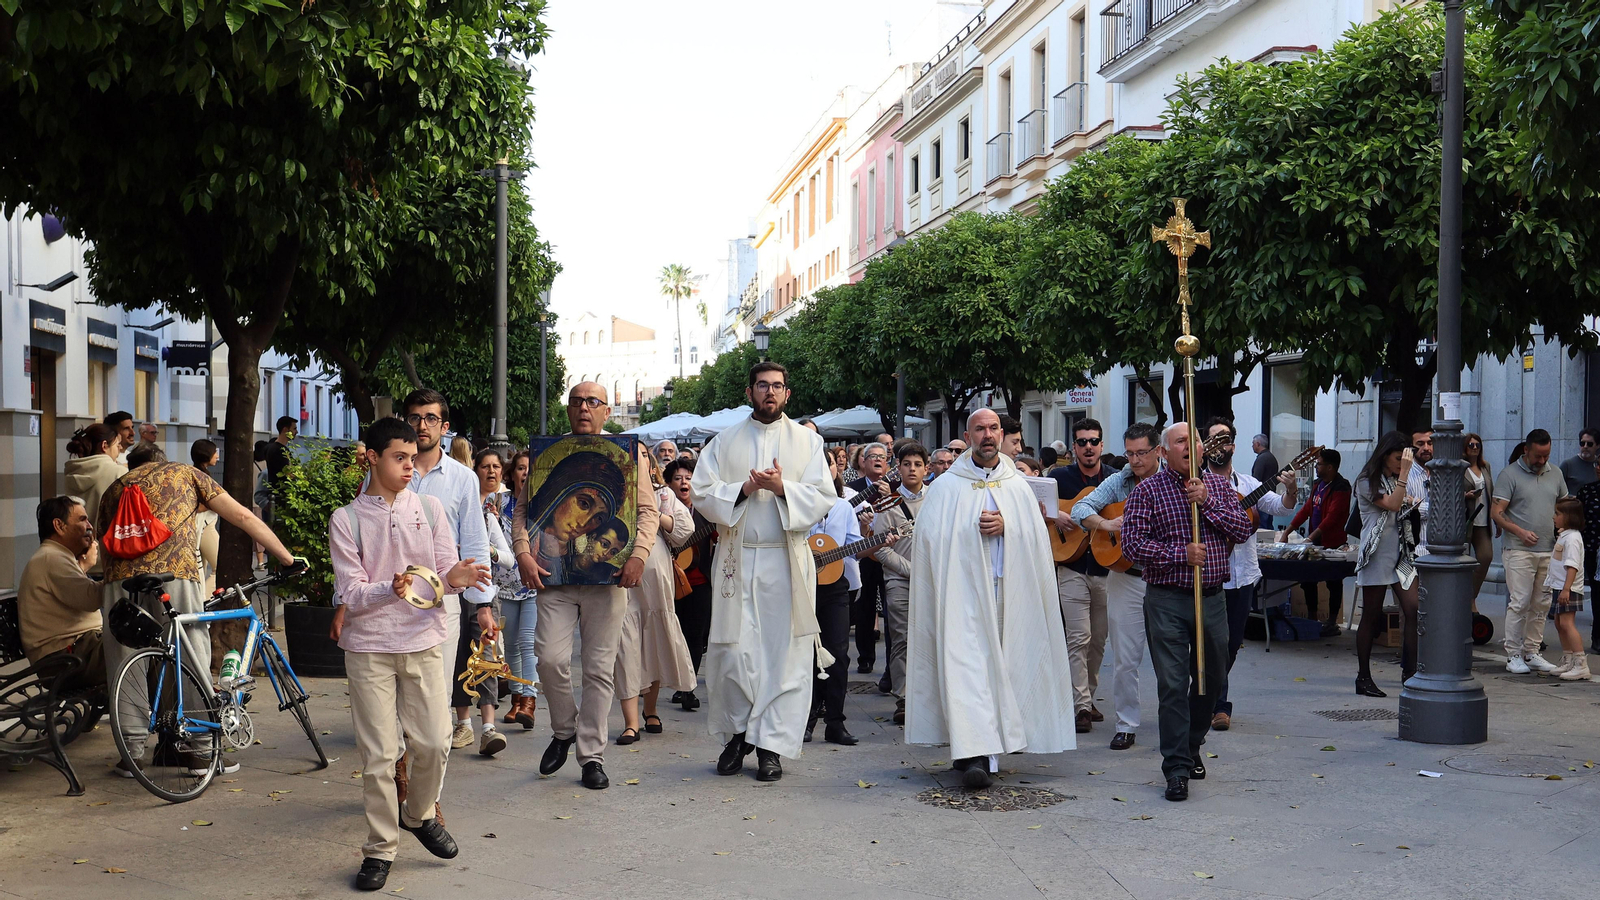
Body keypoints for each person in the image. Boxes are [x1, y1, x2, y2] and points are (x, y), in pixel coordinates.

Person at [331, 417, 490, 892]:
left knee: (437, 742)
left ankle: (418, 814)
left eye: (412, 458)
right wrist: (391, 588)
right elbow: (350, 591)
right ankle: (380, 849)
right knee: (380, 756)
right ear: (373, 458)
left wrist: (456, 578)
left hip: (423, 641)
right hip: (369, 648)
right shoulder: (347, 519)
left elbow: (441, 570)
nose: (409, 466)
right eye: (399, 458)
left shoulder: (430, 508)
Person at [98, 440, 295, 776]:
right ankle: (201, 749)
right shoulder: (185, 474)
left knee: (124, 658)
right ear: (162, 460)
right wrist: (287, 558)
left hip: (120, 578)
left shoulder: (114, 489)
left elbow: (105, 542)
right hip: (173, 571)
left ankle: (130, 753)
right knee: (190, 651)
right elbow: (242, 515)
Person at [905, 409, 1074, 789]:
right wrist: (969, 530)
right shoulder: (947, 487)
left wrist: (1007, 526)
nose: (987, 435)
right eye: (979, 429)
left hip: (1008, 592)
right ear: (967, 436)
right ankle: (975, 753)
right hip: (961, 595)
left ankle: (987, 748)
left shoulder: (1017, 485)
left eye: (993, 428)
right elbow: (930, 541)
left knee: (1006, 668)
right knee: (968, 670)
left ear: (1001, 434)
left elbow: (1036, 537)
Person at [690, 362, 834, 782]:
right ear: (749, 391)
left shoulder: (807, 442)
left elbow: (823, 496)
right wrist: (746, 488)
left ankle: (770, 747)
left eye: (777, 386)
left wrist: (782, 488)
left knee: (782, 656)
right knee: (733, 653)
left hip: (785, 560)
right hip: (736, 559)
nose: (770, 392)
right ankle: (738, 737)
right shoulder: (724, 441)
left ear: (787, 393)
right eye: (762, 385)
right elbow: (701, 492)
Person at [513, 383, 658, 791]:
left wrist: (638, 555)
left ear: (607, 412)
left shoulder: (629, 454)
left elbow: (646, 511)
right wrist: (523, 552)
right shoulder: (549, 453)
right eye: (577, 401)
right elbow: (523, 511)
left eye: (593, 402)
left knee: (598, 669)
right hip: (553, 578)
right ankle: (564, 729)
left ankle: (591, 756)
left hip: (607, 583)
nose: (584, 408)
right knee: (549, 659)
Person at [1120, 423, 1254, 802]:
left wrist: (1207, 501)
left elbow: (1242, 529)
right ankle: (1176, 767)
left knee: (1211, 678)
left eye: (1193, 440)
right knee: (1173, 684)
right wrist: (1182, 554)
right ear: (1164, 452)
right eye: (1180, 441)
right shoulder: (1148, 491)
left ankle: (1193, 742)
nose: (1189, 446)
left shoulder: (1218, 488)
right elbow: (1132, 545)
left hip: (1211, 598)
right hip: (1167, 600)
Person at [395, 391, 495, 766]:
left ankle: (428, 783)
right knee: (397, 696)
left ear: (444, 427)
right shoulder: (386, 471)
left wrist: (483, 604)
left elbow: (475, 542)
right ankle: (401, 772)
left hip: (443, 599)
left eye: (430, 418)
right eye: (414, 418)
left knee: (436, 695)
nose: (422, 425)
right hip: (392, 597)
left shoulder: (463, 478)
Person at [1070, 421, 1163, 751]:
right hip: (1126, 576)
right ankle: (1126, 725)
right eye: (1130, 453)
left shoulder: (1173, 481)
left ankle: (1175, 721)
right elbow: (1081, 508)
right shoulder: (1120, 480)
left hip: (1164, 577)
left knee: (1170, 657)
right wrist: (1107, 523)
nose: (1135, 460)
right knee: (1125, 657)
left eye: (1142, 453)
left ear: (1158, 451)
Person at [1202, 418, 1297, 731]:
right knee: (1211, 644)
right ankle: (1218, 705)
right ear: (1205, 446)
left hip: (1242, 576)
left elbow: (1281, 507)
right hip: (1207, 576)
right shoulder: (1195, 485)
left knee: (1231, 644)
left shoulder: (1248, 484)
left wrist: (1291, 488)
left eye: (1225, 439)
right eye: (1214, 440)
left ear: (1233, 445)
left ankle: (1210, 698)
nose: (1220, 446)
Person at [614, 457, 698, 746]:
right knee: (625, 646)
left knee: (654, 642)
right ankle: (631, 723)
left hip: (655, 581)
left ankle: (650, 711)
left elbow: (684, 529)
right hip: (620, 578)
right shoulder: (612, 488)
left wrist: (654, 513)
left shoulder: (663, 494)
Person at [1049, 418, 1114, 734]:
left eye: (1093, 441)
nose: (1088, 447)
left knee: (1098, 641)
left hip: (1105, 569)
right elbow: (1031, 504)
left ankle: (1086, 695)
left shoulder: (1115, 479)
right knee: (1079, 637)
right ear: (1073, 447)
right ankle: (1081, 706)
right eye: (1082, 442)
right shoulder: (1058, 477)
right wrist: (1056, 514)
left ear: (1101, 445)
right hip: (1071, 566)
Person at [805, 449, 873, 746]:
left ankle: (835, 723)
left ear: (837, 469)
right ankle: (805, 720)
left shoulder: (844, 507)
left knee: (838, 654)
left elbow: (855, 549)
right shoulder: (796, 503)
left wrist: (876, 539)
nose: (825, 468)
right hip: (803, 587)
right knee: (805, 655)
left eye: (829, 463)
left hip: (835, 587)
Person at [1352, 431, 1423, 696]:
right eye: (1397, 459)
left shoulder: (1393, 480)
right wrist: (1405, 474)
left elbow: (1401, 503)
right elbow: (1392, 505)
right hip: (1376, 554)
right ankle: (1363, 677)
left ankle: (1410, 672)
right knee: (1371, 615)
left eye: (1403, 460)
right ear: (1384, 456)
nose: (1400, 464)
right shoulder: (1366, 481)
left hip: (1400, 553)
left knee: (1414, 608)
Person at [1492, 428, 1568, 675]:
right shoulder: (1509, 474)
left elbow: (1563, 505)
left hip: (1549, 549)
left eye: (1546, 455)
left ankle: (1532, 651)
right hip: (1518, 550)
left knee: (1542, 604)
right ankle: (1513, 654)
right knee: (1520, 602)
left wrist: (1564, 533)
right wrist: (1520, 532)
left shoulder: (1555, 473)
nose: (1542, 460)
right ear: (1526, 450)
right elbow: (1496, 512)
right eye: (1538, 456)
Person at [867, 441, 928, 727]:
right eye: (907, 464)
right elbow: (881, 549)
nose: (912, 469)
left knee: (931, 636)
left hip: (933, 579)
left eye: (918, 464)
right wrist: (911, 570)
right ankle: (903, 697)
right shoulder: (887, 504)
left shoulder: (937, 498)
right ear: (898, 469)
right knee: (901, 638)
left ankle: (928, 695)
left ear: (926, 469)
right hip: (899, 581)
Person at [19, 496, 104, 687]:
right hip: (67, 657)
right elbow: (91, 599)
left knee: (140, 646)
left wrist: (83, 566)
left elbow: (71, 592)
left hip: (74, 650)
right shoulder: (52, 558)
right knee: (142, 651)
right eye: (82, 520)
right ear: (59, 525)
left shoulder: (55, 556)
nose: (90, 527)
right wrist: (117, 573)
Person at [462, 448, 515, 756]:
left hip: (486, 593)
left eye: (496, 466)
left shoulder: (488, 516)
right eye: (485, 466)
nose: (491, 471)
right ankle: (462, 724)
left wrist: (489, 551)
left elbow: (507, 558)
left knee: (486, 658)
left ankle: (488, 728)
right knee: (459, 657)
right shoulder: (460, 509)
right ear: (475, 471)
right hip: (454, 592)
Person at [1282, 448, 1352, 635]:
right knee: (1308, 579)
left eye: (1319, 464)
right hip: (1314, 542)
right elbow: (1306, 510)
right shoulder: (1317, 485)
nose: (1316, 467)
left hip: (1332, 542)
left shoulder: (1341, 487)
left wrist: (1310, 538)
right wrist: (1287, 531)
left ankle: (1332, 622)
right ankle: (1312, 619)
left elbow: (1333, 517)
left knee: (1334, 582)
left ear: (1330, 467)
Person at [665, 457, 713, 710]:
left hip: (699, 582)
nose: (684, 482)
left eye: (689, 478)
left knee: (695, 636)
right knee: (673, 635)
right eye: (678, 478)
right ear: (669, 483)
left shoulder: (705, 512)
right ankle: (675, 682)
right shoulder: (662, 510)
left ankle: (688, 688)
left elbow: (720, 535)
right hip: (668, 581)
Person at [497, 449, 538, 729]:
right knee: (510, 645)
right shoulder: (499, 502)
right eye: (521, 468)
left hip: (535, 583)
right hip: (506, 583)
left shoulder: (544, 503)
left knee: (527, 642)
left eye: (530, 468)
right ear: (512, 474)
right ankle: (515, 697)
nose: (525, 473)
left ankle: (529, 701)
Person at [845, 442, 894, 675]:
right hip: (863, 553)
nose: (877, 460)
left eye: (882, 457)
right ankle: (865, 657)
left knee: (891, 606)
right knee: (864, 607)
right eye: (872, 456)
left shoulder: (896, 486)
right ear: (862, 462)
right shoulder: (851, 489)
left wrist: (888, 497)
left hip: (889, 551)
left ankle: (892, 664)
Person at [64, 424, 125, 574]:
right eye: (117, 444)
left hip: (78, 559)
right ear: (104, 446)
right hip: (109, 558)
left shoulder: (72, 472)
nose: (120, 449)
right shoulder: (119, 473)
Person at [1545, 497, 1591, 680]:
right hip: (1559, 586)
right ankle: (1568, 659)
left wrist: (1566, 589)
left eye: (1557, 514)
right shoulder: (1566, 535)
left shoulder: (1572, 539)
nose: (1554, 517)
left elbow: (1572, 566)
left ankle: (1580, 663)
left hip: (1567, 587)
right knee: (1558, 622)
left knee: (1566, 623)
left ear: (1569, 517)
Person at [1462, 435, 1496, 603]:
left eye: (1477, 445)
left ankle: (1471, 597)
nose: (1474, 448)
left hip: (1483, 520)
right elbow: (1450, 491)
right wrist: (1465, 495)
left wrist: (1496, 517)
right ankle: (1465, 601)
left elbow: (1492, 491)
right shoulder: (1460, 467)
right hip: (1466, 520)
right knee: (1463, 562)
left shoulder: (1485, 466)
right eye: (1471, 445)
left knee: (1485, 557)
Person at [191, 439, 221, 596]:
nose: (217, 456)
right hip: (205, 526)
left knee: (200, 570)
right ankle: (204, 601)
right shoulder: (200, 475)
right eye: (215, 452)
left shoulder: (196, 473)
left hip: (202, 526)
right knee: (221, 567)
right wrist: (213, 503)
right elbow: (196, 506)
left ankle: (201, 601)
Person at [1577, 457, 1600, 655]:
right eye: (1597, 464)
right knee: (1598, 591)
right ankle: (1598, 637)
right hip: (1593, 549)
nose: (1598, 468)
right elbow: (1578, 520)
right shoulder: (1587, 491)